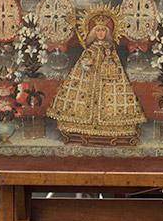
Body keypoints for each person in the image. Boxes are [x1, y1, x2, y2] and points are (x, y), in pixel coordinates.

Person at [48, 8, 146, 146]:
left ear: (108, 32)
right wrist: (86, 64)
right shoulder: (90, 49)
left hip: (108, 80)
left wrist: (109, 60)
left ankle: (114, 127)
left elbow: (115, 65)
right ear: (93, 32)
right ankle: (80, 126)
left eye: (103, 30)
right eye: (98, 30)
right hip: (88, 79)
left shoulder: (110, 49)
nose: (101, 33)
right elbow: (84, 61)